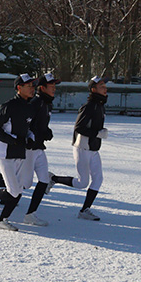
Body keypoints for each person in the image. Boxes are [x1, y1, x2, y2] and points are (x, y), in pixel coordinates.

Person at [0, 73, 38, 231]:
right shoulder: (8, 106)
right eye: (29, 86)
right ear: (19, 88)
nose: (33, 88)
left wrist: (31, 137)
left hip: (20, 152)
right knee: (14, 191)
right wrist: (13, 140)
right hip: (5, 153)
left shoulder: (30, 107)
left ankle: (1, 219)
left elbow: (28, 129)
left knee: (17, 191)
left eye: (33, 85)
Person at [51, 75, 109, 220]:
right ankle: (53, 178)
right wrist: (97, 133)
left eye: (105, 85)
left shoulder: (100, 105)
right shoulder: (88, 107)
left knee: (98, 179)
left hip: (94, 149)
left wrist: (98, 135)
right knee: (82, 183)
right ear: (93, 89)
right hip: (82, 148)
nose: (105, 88)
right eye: (101, 86)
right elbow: (79, 128)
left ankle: (84, 210)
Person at [22, 72, 61, 226]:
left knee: (44, 180)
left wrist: (47, 131)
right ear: (42, 88)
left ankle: (30, 215)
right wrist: (38, 134)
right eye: (51, 86)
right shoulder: (35, 103)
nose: (54, 89)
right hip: (29, 148)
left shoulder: (47, 103)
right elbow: (26, 125)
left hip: (39, 148)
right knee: (24, 184)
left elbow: (41, 124)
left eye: (54, 86)